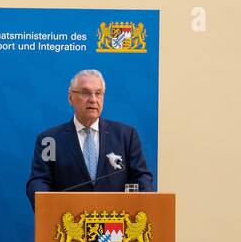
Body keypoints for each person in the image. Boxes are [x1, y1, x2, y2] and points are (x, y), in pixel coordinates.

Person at [26, 69, 153, 209]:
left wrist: (142, 207)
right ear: (70, 98)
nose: (93, 99)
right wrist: (47, 207)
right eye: (85, 93)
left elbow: (141, 177)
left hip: (115, 223)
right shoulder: (49, 140)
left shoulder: (126, 135)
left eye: (98, 93)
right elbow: (40, 180)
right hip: (67, 223)